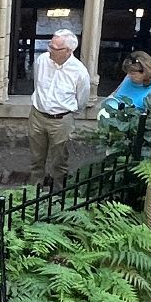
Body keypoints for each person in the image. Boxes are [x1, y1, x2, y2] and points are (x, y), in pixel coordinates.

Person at [31, 29, 93, 186]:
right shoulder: (42, 60)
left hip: (61, 120)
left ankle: (58, 193)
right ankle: (34, 190)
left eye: (55, 48)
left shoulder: (79, 72)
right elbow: (36, 83)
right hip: (37, 115)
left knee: (59, 160)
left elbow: (82, 99)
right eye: (50, 45)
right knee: (36, 158)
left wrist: (67, 114)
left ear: (68, 51)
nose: (50, 50)